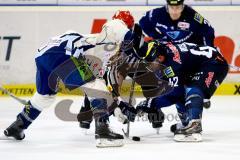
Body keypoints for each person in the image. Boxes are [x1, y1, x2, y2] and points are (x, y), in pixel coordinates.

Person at [4, 10, 138, 148]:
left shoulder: (89, 38)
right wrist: (118, 106)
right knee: (97, 87)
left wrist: (117, 107)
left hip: (42, 55)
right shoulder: (108, 40)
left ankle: (17, 126)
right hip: (65, 55)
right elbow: (99, 86)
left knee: (44, 97)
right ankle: (103, 132)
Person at [134, 40, 228, 141]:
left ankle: (195, 125)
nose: (148, 67)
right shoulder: (163, 54)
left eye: (150, 63)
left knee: (193, 88)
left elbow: (175, 94)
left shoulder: (173, 64)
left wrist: (150, 103)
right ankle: (187, 123)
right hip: (201, 64)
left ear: (160, 58)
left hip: (214, 63)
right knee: (181, 88)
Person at [139, 0, 215, 46]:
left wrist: (208, 49)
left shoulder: (192, 15)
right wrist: (156, 36)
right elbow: (143, 21)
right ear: (167, 6)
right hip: (168, 49)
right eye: (172, 7)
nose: (175, 11)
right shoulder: (157, 14)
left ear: (182, 6)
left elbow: (208, 30)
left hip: (189, 49)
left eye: (178, 7)